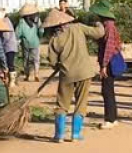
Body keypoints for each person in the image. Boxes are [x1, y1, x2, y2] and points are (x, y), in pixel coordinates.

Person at [44, 8, 104, 142]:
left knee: (62, 105)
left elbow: (53, 62)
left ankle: (59, 135)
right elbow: (99, 33)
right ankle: (76, 135)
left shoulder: (54, 40)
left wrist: (59, 64)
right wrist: (99, 24)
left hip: (67, 75)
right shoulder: (78, 27)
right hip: (84, 72)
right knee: (81, 103)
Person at [91, 1, 124, 129]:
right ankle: (113, 117)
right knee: (108, 90)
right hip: (108, 61)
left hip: (109, 62)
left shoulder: (109, 26)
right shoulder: (107, 25)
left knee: (106, 90)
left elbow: (109, 48)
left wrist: (104, 65)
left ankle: (110, 119)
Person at [15, 2, 43, 81]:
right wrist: (39, 37)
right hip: (35, 43)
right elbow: (41, 30)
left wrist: (18, 39)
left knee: (26, 60)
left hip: (25, 44)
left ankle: (27, 76)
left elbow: (17, 33)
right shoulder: (37, 19)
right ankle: (36, 74)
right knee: (36, 59)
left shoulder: (22, 22)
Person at [0, 8, 19, 87]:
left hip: (9, 46)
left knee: (10, 64)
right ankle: (10, 82)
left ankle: (12, 82)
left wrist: (0, 44)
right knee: (8, 64)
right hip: (10, 46)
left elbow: (6, 36)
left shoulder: (5, 22)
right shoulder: (7, 21)